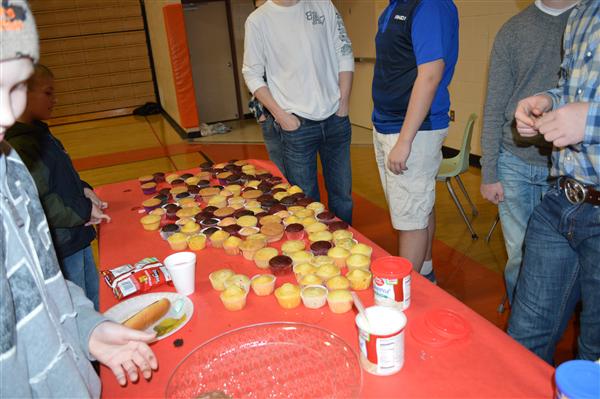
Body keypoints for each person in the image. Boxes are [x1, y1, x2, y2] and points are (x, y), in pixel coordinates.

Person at [0, 1, 157, 396]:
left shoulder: (11, 166)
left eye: (16, 86)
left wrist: (87, 329)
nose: (8, 111)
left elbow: (37, 284)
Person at [508, 0, 600, 364]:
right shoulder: (579, 15)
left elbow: (588, 110)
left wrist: (591, 120)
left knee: (594, 358)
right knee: (521, 344)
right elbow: (574, 89)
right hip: (560, 200)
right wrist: (546, 101)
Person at [480, 0, 578, 306]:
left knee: (566, 260)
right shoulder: (512, 31)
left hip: (568, 170)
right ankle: (522, 332)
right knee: (519, 257)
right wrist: (489, 173)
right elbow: (494, 108)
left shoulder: (588, 25)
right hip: (514, 164)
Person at [6, 64, 109, 310]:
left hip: (76, 235)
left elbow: (62, 176)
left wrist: (83, 188)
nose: (55, 99)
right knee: (76, 304)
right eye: (47, 93)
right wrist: (83, 211)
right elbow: (40, 201)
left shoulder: (40, 133)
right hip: (60, 243)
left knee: (93, 296)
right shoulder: (22, 146)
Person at [242, 0, 355, 224]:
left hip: (335, 119)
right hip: (295, 126)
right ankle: (314, 254)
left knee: (342, 196)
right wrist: (281, 116)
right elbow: (251, 73)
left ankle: (346, 249)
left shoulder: (323, 5)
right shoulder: (258, 20)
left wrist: (343, 103)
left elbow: (344, 52)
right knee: (305, 202)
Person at [371, 0, 459, 282]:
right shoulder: (394, 6)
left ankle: (401, 294)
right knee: (418, 207)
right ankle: (425, 273)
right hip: (389, 124)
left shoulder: (429, 5)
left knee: (410, 218)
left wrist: (405, 140)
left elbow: (430, 74)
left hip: (411, 129)